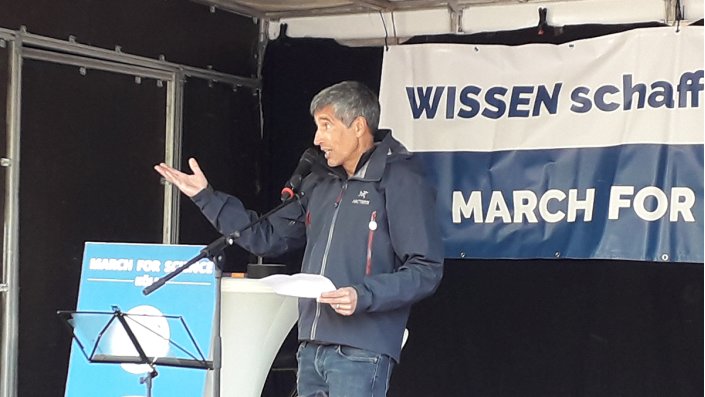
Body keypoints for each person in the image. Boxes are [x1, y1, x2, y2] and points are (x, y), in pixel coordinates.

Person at [154, 81, 444, 397]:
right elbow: (266, 237)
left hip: (363, 349)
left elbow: (425, 268)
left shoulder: (400, 178)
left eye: (326, 126)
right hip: (311, 347)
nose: (318, 139)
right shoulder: (319, 182)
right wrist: (205, 198)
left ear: (358, 126)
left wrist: (363, 295)